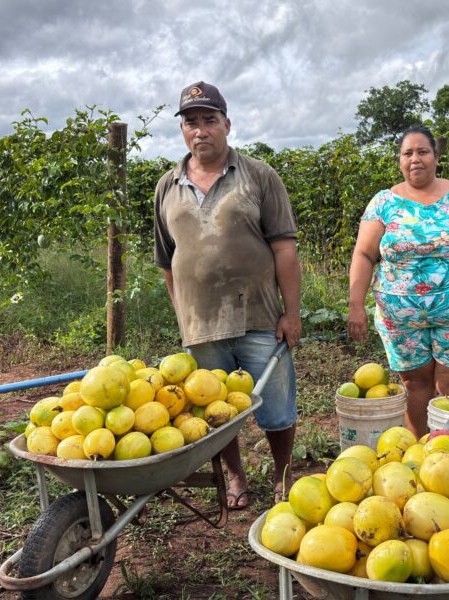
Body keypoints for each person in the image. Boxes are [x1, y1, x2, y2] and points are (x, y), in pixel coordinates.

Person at [153, 81, 301, 509]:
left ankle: (282, 475)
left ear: (227, 124)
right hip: (201, 325)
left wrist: (292, 313)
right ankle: (235, 477)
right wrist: (183, 315)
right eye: (191, 122)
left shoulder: (258, 175)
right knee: (214, 413)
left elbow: (285, 249)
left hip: (259, 316)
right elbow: (168, 261)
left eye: (209, 120)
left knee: (275, 409)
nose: (200, 130)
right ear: (183, 130)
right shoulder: (168, 185)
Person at [348, 126, 449, 437]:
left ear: (437, 157)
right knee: (415, 385)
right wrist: (355, 304)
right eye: (407, 153)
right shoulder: (383, 202)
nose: (415, 159)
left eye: (423, 151)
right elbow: (364, 255)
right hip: (401, 321)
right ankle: (422, 452)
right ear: (399, 160)